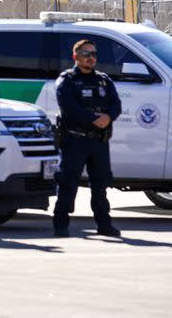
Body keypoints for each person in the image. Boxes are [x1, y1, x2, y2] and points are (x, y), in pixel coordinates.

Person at [52, 39, 122, 238]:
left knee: (100, 185)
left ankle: (104, 225)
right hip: (75, 140)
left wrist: (109, 117)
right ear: (75, 56)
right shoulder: (68, 80)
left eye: (94, 54)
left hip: (99, 141)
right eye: (86, 54)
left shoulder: (103, 80)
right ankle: (60, 225)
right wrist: (93, 119)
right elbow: (69, 108)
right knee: (67, 183)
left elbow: (116, 104)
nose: (91, 58)